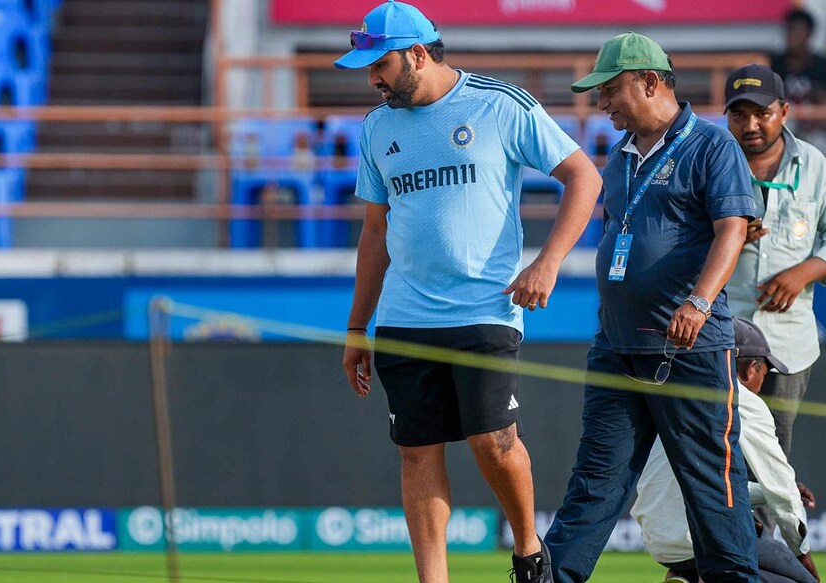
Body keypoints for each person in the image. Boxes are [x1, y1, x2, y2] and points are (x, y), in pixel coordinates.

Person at [335, 2, 602, 582]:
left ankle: (528, 553)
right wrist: (357, 326)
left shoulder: (498, 104)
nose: (373, 79)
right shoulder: (376, 127)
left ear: (417, 54)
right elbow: (375, 232)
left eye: (380, 66)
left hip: (486, 309)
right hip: (405, 317)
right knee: (416, 451)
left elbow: (584, 175)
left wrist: (548, 262)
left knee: (492, 441)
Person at [543, 32, 760, 583]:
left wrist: (699, 301)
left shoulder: (712, 145)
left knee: (711, 487)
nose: (602, 103)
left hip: (689, 348)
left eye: (610, 90)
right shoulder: (618, 157)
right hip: (617, 345)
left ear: (649, 82)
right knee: (594, 482)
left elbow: (733, 229)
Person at [631, 317, 819, 583]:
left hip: (661, 542)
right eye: (765, 372)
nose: (762, 383)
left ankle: (688, 577)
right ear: (751, 369)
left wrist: (764, 495)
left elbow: (706, 484)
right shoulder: (742, 400)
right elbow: (782, 490)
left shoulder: (674, 398)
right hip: (707, 538)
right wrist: (804, 556)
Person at [724, 63, 826, 458]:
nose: (750, 125)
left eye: (761, 113)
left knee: (773, 457)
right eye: (739, 114)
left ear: (783, 112)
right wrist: (727, 238)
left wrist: (805, 272)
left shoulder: (815, 165)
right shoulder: (713, 164)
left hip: (788, 344)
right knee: (721, 455)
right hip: (722, 340)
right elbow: (681, 243)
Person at [770, 9, 826, 106]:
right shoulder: (774, 65)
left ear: (808, 34)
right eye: (789, 30)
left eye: (797, 31)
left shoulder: (822, 66)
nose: (791, 36)